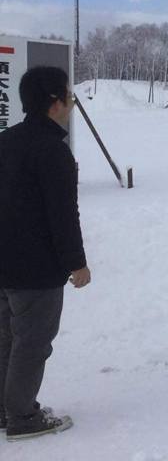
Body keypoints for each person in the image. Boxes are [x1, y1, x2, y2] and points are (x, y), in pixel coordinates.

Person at [0, 66, 90, 441]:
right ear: (55, 102)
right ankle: (22, 416)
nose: (70, 102)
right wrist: (77, 263)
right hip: (36, 271)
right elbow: (62, 215)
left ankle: (5, 411)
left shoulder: (5, 141)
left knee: (6, 339)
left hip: (3, 266)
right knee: (32, 343)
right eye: (68, 95)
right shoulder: (53, 151)